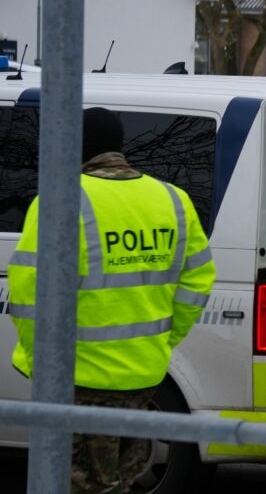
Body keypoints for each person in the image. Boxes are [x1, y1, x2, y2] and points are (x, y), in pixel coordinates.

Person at [7, 107, 216, 494]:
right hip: (143, 379)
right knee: (119, 483)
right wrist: (161, 341)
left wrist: (44, 366)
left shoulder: (61, 200)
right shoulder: (174, 200)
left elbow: (29, 295)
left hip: (79, 379)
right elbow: (199, 280)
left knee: (76, 484)